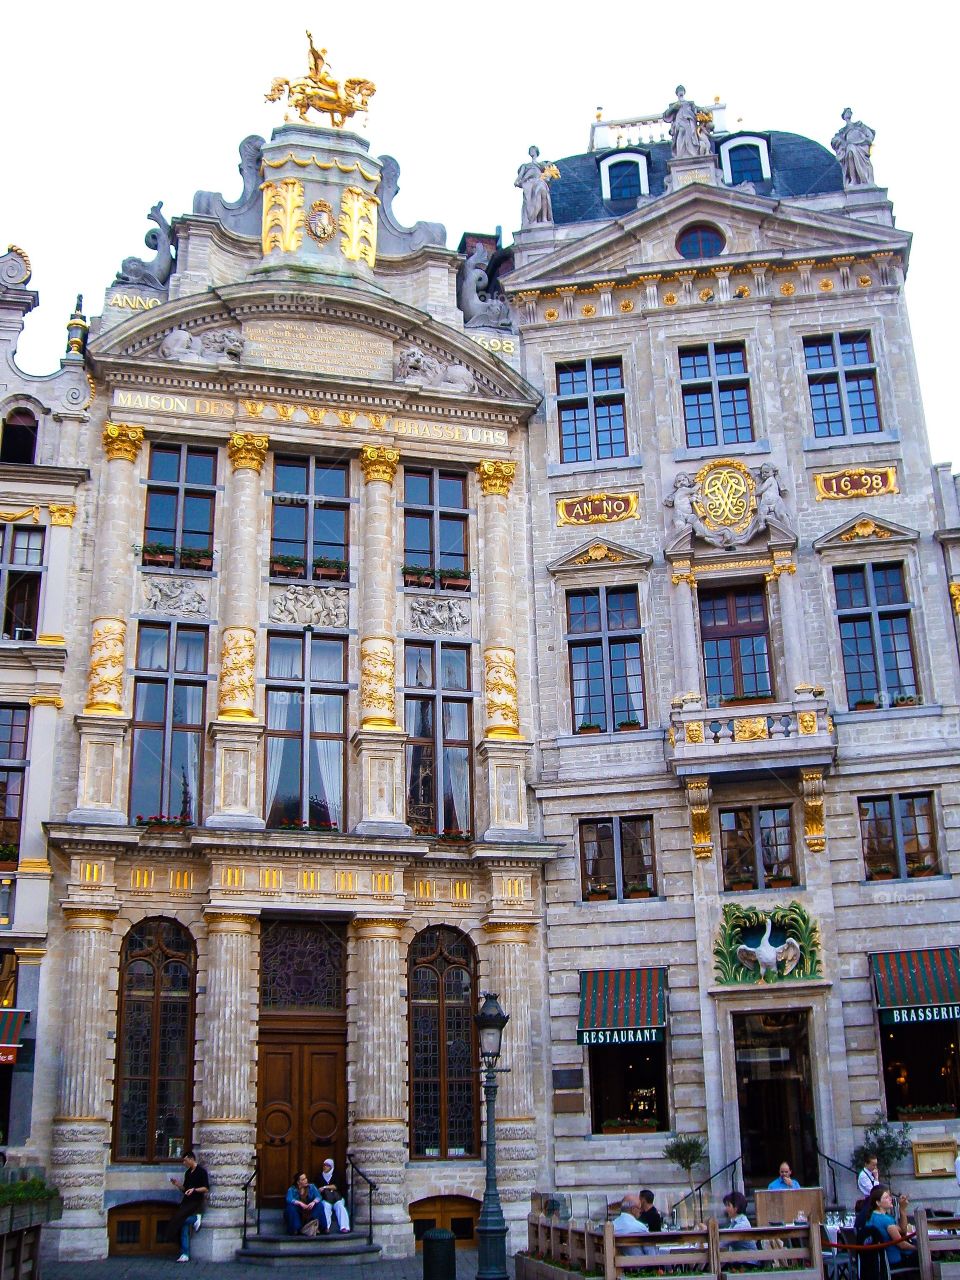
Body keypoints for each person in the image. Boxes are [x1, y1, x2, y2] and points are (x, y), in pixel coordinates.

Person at [167, 1150, 209, 1264]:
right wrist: (177, 1184)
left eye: (185, 1160)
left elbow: (206, 1188)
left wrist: (194, 1190)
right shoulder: (188, 1173)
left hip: (195, 1202)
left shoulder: (201, 1171)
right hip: (186, 1201)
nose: (184, 1163)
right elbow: (185, 1189)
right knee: (183, 1225)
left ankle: (195, 1219)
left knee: (180, 1220)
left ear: (191, 1159)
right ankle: (185, 1254)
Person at [864, 1185, 918, 1273]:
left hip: (878, 1261)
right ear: (878, 1203)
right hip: (893, 1260)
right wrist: (918, 1248)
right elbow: (901, 1244)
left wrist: (902, 1209)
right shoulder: (886, 1220)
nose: (890, 1199)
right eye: (886, 1197)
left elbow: (902, 1230)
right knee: (928, 1256)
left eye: (889, 1196)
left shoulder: (871, 1217)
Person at [284, 1172, 324, 1236]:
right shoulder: (292, 1189)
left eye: (306, 1178)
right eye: (303, 1179)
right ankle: (296, 1229)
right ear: (298, 1182)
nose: (306, 1180)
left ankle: (321, 1227)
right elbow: (289, 1199)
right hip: (299, 1210)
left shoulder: (312, 1187)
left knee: (319, 1205)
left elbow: (319, 1197)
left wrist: (313, 1202)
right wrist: (299, 1203)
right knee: (290, 1208)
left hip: (310, 1209)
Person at [317, 1158, 350, 1232]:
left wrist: (325, 1187)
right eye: (324, 1165)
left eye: (327, 1165)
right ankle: (326, 1227)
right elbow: (317, 1188)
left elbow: (336, 1186)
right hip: (325, 1198)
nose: (325, 1167)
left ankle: (344, 1227)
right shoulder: (319, 1176)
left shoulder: (336, 1175)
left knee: (340, 1207)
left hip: (337, 1198)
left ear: (331, 1167)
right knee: (325, 1207)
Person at [722, 1192, 759, 1257]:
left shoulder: (742, 1225)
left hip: (748, 1261)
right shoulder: (735, 1223)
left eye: (728, 1205)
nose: (726, 1208)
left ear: (736, 1208)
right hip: (739, 1259)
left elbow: (723, 1242)